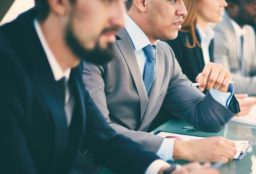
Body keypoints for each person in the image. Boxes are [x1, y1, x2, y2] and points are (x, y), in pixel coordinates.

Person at [0, 0, 217, 173]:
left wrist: (164, 171)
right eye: (107, 2)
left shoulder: (70, 50)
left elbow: (101, 137)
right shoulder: (6, 69)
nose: (120, 19)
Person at [83, 0, 240, 164]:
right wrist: (182, 149)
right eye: (173, 1)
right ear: (142, 3)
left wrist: (220, 89)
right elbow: (98, 131)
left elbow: (203, 117)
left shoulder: (164, 53)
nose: (184, 11)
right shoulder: (97, 43)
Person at [166, 0, 256, 115]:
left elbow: (206, 92)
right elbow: (178, 100)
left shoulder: (209, 38)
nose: (224, 3)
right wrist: (224, 107)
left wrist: (226, 100)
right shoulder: (177, 39)